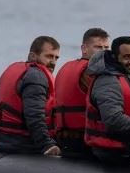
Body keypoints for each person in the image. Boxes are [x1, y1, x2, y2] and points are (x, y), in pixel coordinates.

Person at [0, 36, 62, 156]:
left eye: (56, 58)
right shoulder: (36, 76)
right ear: (33, 56)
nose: (53, 62)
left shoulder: (11, 71)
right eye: (48, 56)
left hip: (3, 142)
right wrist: (47, 145)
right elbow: (34, 115)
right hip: (25, 145)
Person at [84, 36, 130, 165]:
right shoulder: (107, 81)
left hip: (127, 150)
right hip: (110, 155)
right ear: (115, 57)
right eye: (127, 57)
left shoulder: (129, 77)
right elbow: (113, 120)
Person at [46, 27, 109, 158]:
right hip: (84, 139)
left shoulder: (64, 67)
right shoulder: (92, 72)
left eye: (106, 48)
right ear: (84, 49)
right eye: (98, 47)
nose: (103, 52)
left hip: (63, 138)